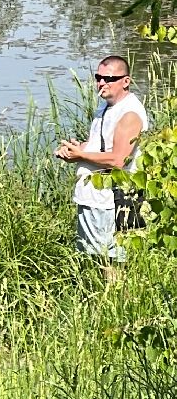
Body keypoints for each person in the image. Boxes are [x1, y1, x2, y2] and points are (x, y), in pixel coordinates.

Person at [55, 55, 151, 263]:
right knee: (94, 260)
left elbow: (119, 160)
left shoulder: (129, 114)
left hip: (114, 200)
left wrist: (80, 155)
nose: (101, 83)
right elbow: (97, 146)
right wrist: (74, 149)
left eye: (108, 79)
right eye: (98, 77)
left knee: (111, 263)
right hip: (94, 197)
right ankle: (101, 295)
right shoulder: (106, 107)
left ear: (126, 81)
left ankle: (116, 296)